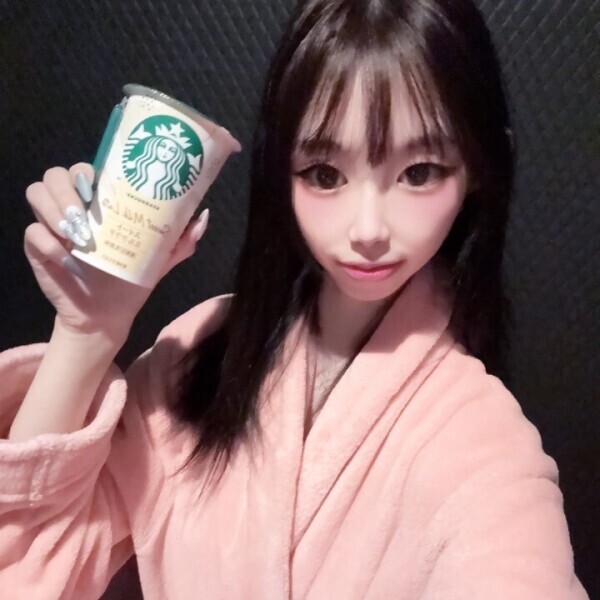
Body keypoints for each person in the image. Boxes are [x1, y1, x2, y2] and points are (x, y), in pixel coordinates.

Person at [0, 0, 589, 598]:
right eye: (325, 173)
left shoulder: (486, 449)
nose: (367, 229)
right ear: (281, 171)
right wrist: (88, 332)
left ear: (478, 169)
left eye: (419, 172)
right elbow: (27, 566)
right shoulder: (198, 356)